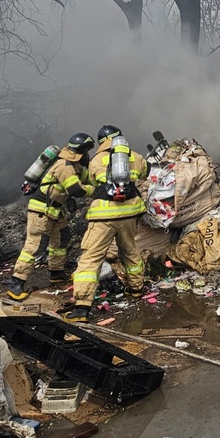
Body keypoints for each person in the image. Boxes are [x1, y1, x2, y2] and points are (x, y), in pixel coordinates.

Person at [68, 126, 149, 322]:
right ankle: (136, 289)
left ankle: (81, 307)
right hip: (129, 214)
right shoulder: (135, 156)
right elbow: (145, 172)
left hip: (103, 216)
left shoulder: (97, 160)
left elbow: (95, 182)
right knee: (130, 251)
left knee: (91, 257)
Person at [7, 133, 96, 302]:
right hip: (42, 210)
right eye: (87, 152)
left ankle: (56, 273)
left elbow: (90, 179)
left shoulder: (75, 166)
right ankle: (16, 282)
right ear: (81, 152)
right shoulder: (64, 166)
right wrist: (95, 191)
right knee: (35, 246)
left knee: (62, 238)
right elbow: (76, 190)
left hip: (55, 211)